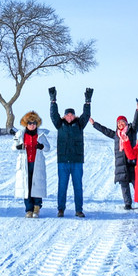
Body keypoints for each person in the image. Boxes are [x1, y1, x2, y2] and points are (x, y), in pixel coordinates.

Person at [90, 100, 138, 210]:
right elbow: (104, 130)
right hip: (120, 164)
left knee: (136, 184)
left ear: (126, 123)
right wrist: (94, 124)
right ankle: (128, 203)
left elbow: (136, 122)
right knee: (124, 186)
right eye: (119, 123)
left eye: (123, 122)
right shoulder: (115, 135)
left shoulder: (132, 131)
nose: (120, 124)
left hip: (131, 162)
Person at [49, 86, 92, 218]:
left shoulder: (79, 124)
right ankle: (60, 209)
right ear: (64, 116)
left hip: (77, 161)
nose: (69, 117)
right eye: (67, 115)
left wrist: (87, 102)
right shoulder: (59, 124)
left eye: (71, 115)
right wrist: (53, 101)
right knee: (62, 186)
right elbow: (53, 115)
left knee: (77, 186)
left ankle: (79, 210)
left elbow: (86, 115)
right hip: (62, 161)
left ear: (74, 116)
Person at [13, 111, 51, 218]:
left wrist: (42, 147)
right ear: (26, 124)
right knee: (27, 186)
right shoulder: (20, 134)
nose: (32, 125)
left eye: (34, 123)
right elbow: (13, 146)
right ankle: (28, 209)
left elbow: (48, 148)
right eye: (30, 123)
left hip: (37, 163)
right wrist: (18, 147)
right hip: (25, 164)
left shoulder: (41, 135)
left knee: (37, 185)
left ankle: (37, 207)